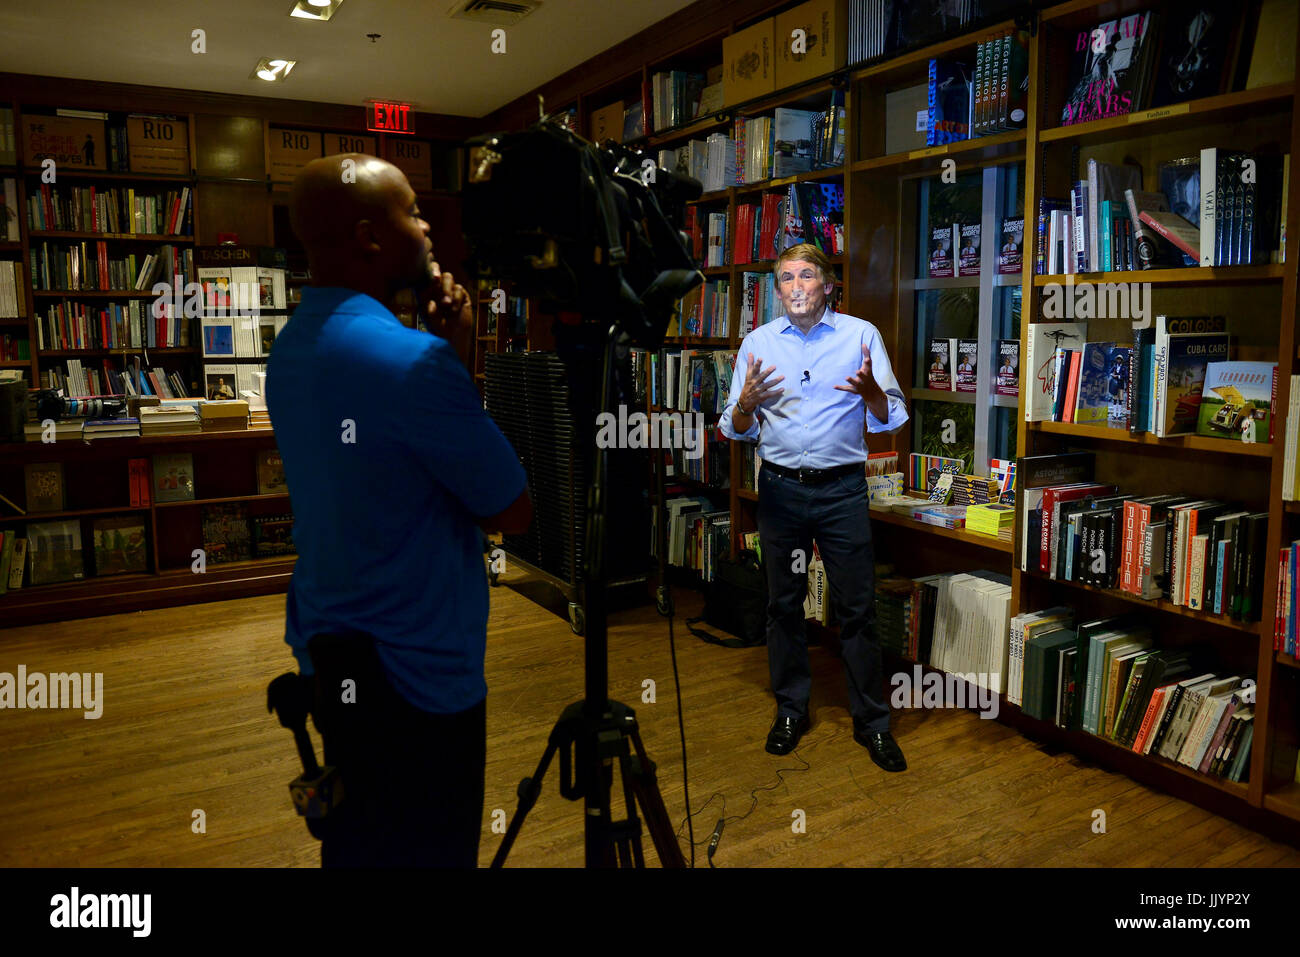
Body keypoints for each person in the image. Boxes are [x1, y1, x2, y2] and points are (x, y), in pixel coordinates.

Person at [267, 153, 532, 867]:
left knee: (359, 839)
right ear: (367, 237)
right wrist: (456, 362)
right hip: (420, 674)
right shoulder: (414, 363)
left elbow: (388, 470)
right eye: (412, 212)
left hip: (332, 651)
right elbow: (511, 506)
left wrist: (448, 358)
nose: (428, 228)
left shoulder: (288, 350)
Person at [720, 242, 909, 772]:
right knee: (783, 605)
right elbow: (731, 427)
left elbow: (892, 417)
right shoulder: (757, 344)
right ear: (777, 290)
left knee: (857, 608)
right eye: (786, 278)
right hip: (779, 490)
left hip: (842, 491)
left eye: (807, 275)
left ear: (828, 285)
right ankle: (790, 710)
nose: (796, 285)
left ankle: (872, 724)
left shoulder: (860, 336)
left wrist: (871, 392)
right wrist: (745, 406)